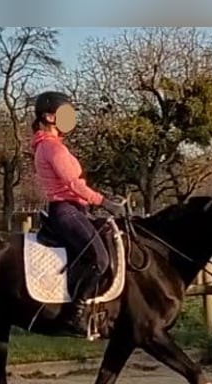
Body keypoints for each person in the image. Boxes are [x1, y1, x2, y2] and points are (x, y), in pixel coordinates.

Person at [30, 90, 127, 335]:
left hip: (75, 209)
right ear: (49, 117)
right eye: (65, 114)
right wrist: (104, 202)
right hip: (66, 210)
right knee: (100, 259)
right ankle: (75, 314)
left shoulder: (53, 146)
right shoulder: (52, 148)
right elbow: (73, 184)